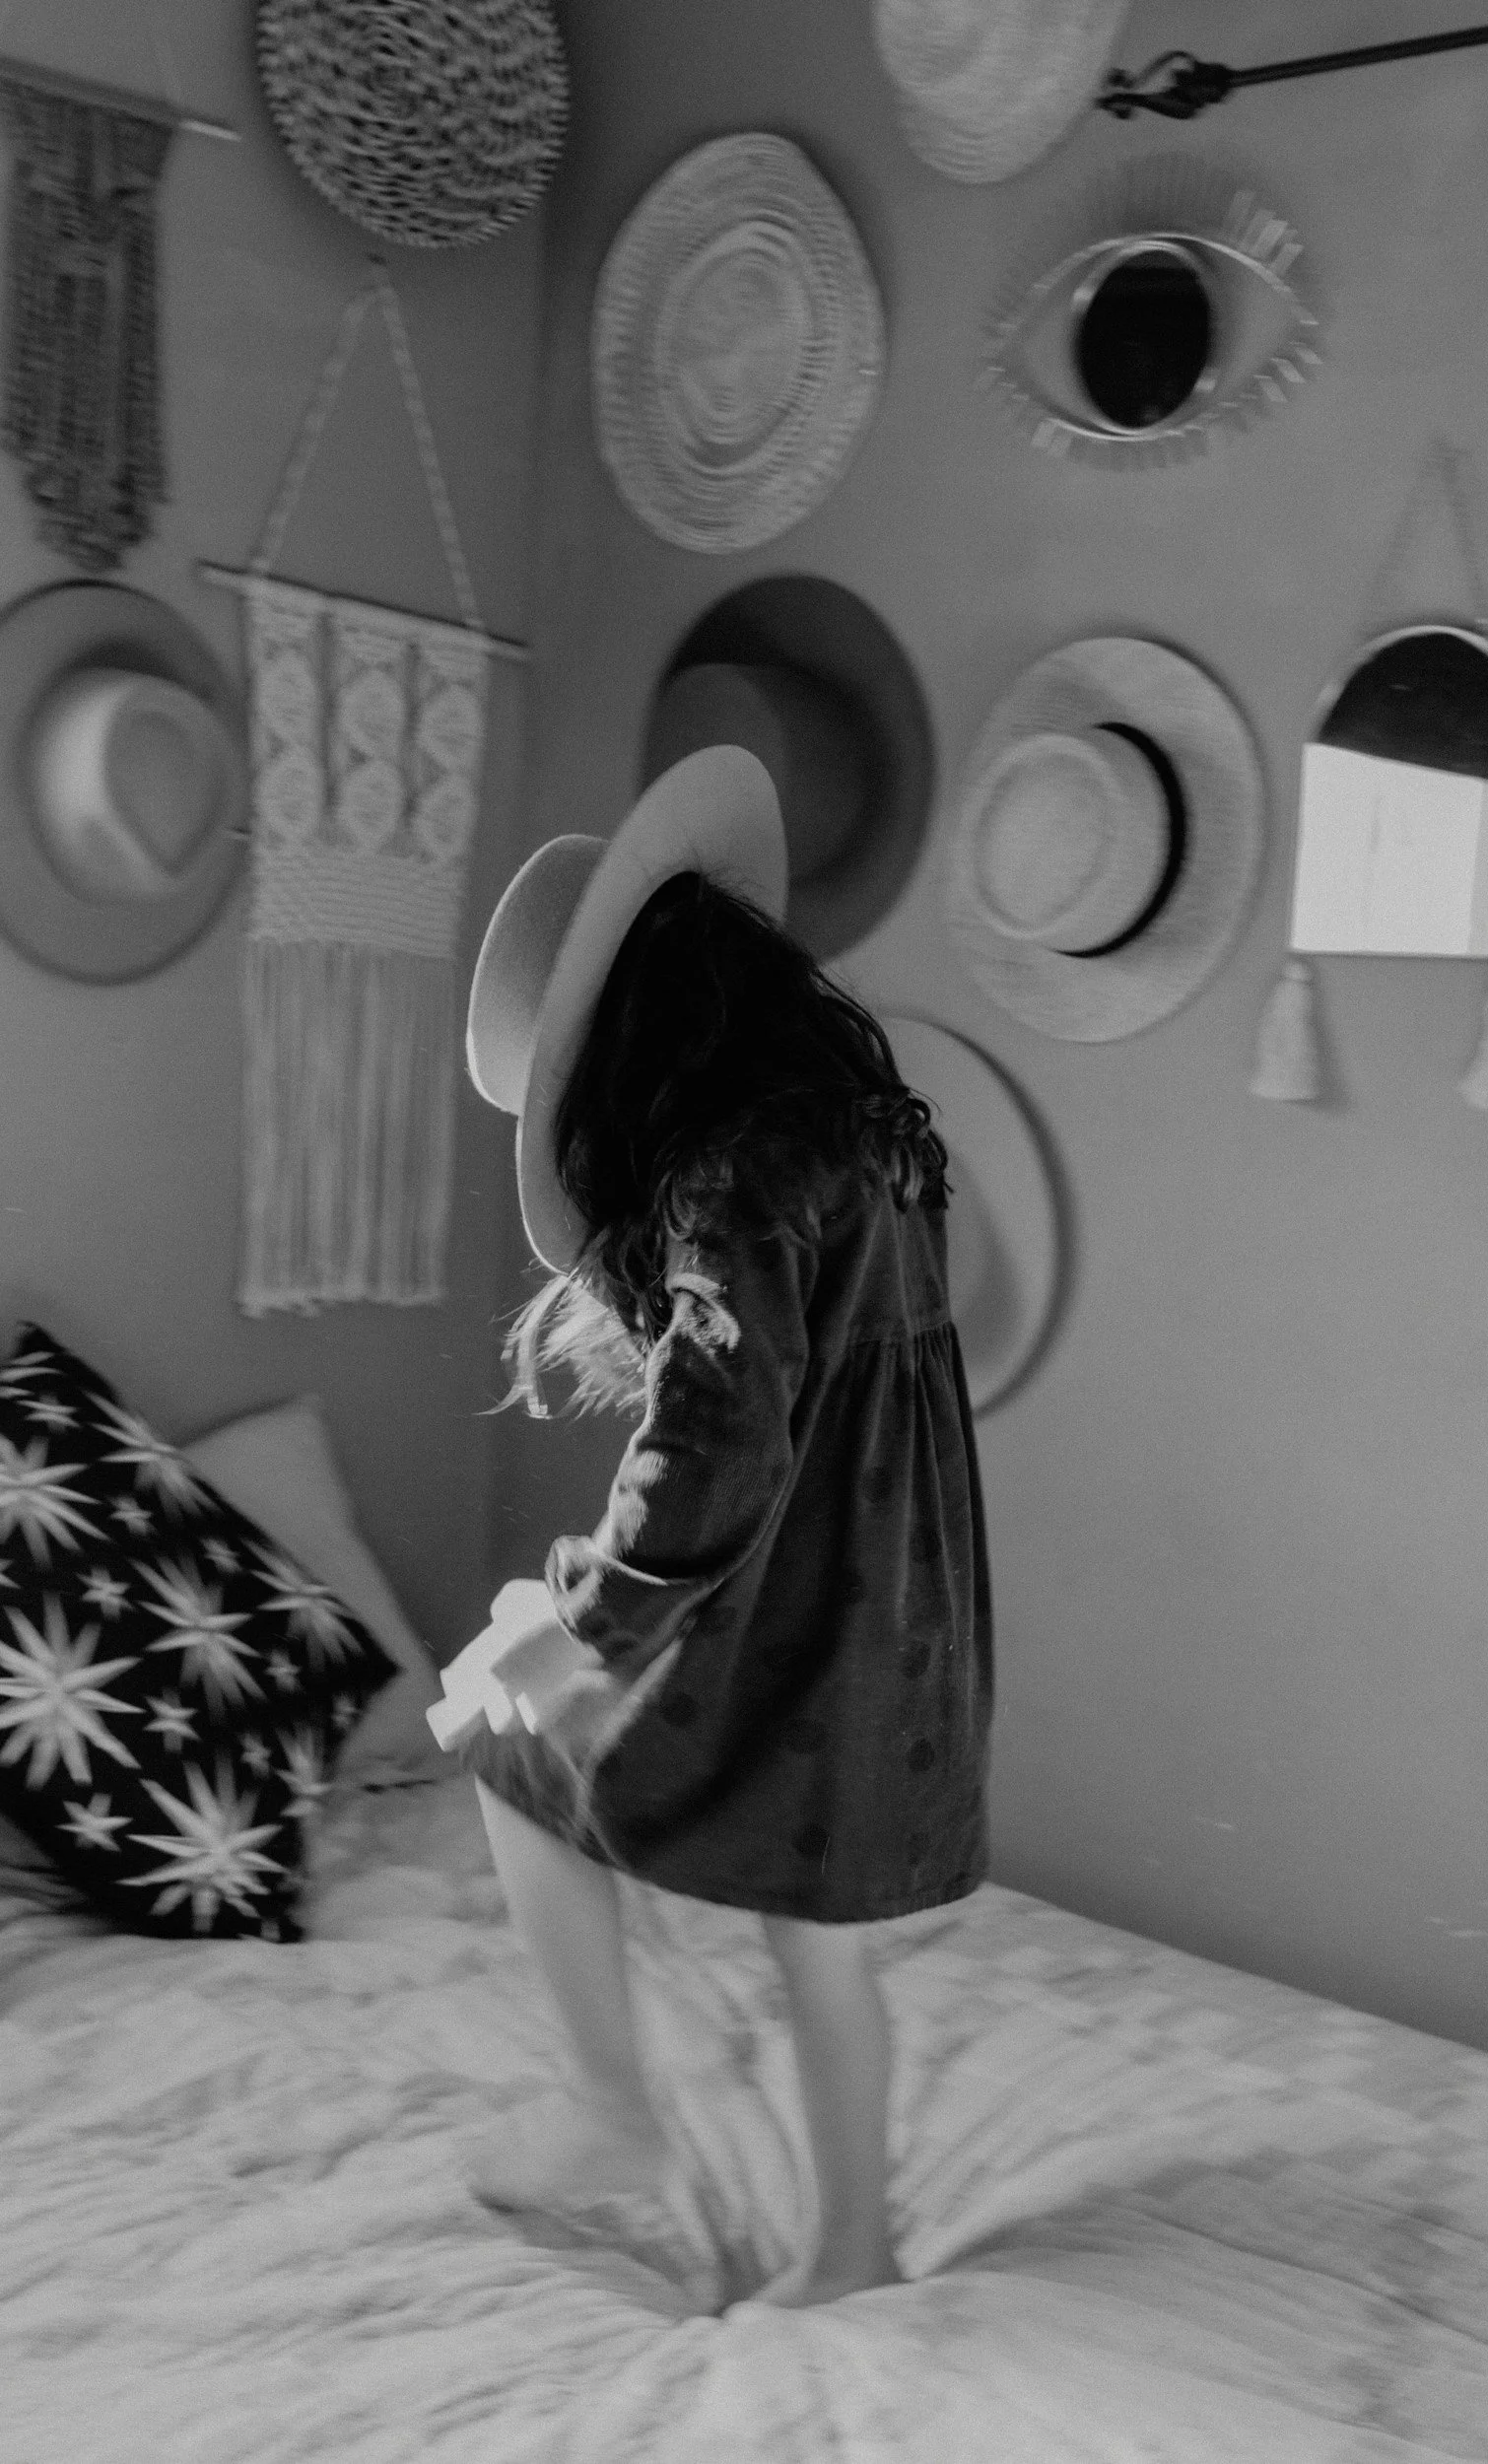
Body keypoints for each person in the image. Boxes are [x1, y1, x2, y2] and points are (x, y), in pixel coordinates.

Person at [456, 746, 992, 2308]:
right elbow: (844, 1405)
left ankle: (615, 2108)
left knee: (496, 1723)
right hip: (888, 1615)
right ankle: (855, 2242)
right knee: (818, 1949)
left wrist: (586, 1619)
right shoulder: (869, 1133)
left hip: (767, 1602)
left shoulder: (725, 1174)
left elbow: (716, 1450)